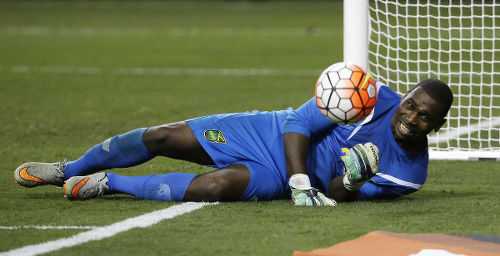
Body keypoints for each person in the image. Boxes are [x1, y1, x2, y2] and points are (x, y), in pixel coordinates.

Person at [13, 69, 453, 206]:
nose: (410, 117)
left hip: (282, 181)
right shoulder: (371, 95)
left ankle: (109, 183)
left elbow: (339, 194)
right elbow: (298, 123)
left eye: (424, 117)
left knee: (216, 187)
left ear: (436, 126)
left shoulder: (409, 175)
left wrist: (353, 180)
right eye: (411, 105)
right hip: (268, 132)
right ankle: (68, 169)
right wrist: (302, 179)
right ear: (406, 97)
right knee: (164, 136)